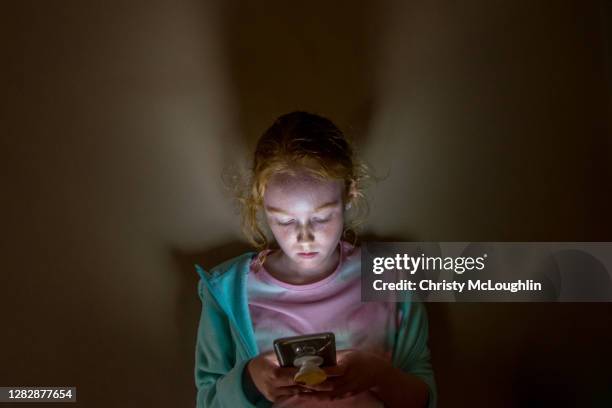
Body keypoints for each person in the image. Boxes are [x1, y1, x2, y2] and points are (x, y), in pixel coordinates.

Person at [194, 111, 437, 407]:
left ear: (349, 194)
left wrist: (378, 375)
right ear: (261, 205)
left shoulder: (391, 278)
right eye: (284, 221)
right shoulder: (227, 291)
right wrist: (250, 381)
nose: (305, 237)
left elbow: (423, 398)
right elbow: (208, 402)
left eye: (321, 217)